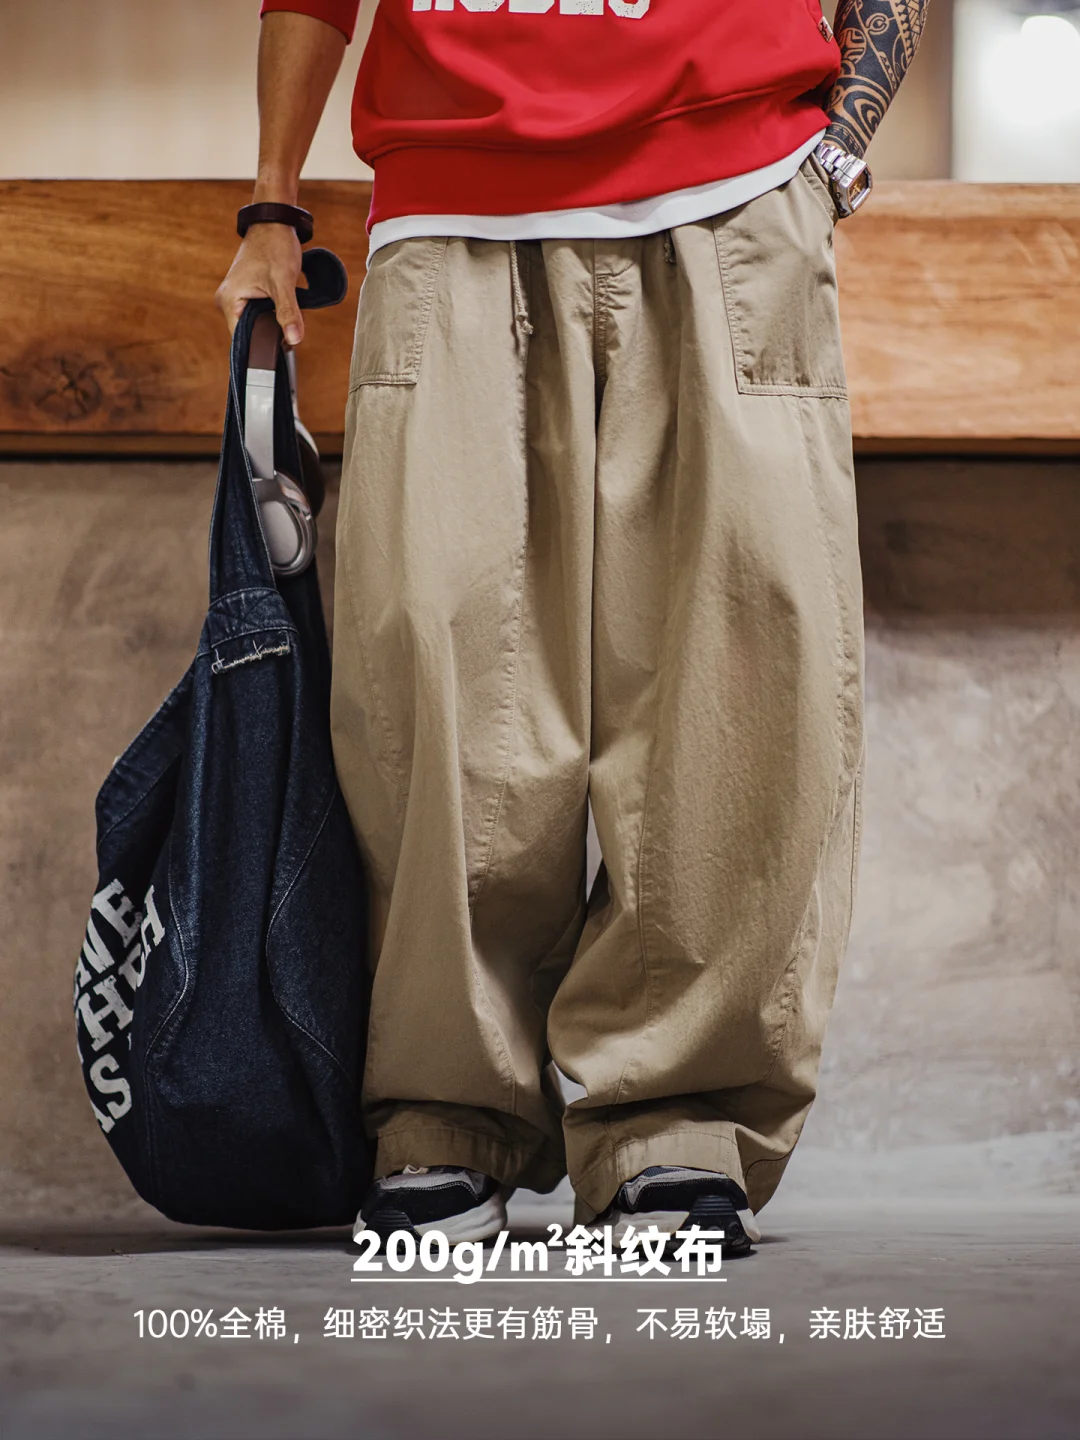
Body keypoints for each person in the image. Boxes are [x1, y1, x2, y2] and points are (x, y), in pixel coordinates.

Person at [217, 0, 929, 1250]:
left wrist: (835, 147)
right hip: (451, 205)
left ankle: (679, 1122)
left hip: (732, 197)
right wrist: (272, 202)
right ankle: (445, 1116)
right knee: (433, 684)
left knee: (734, 684)